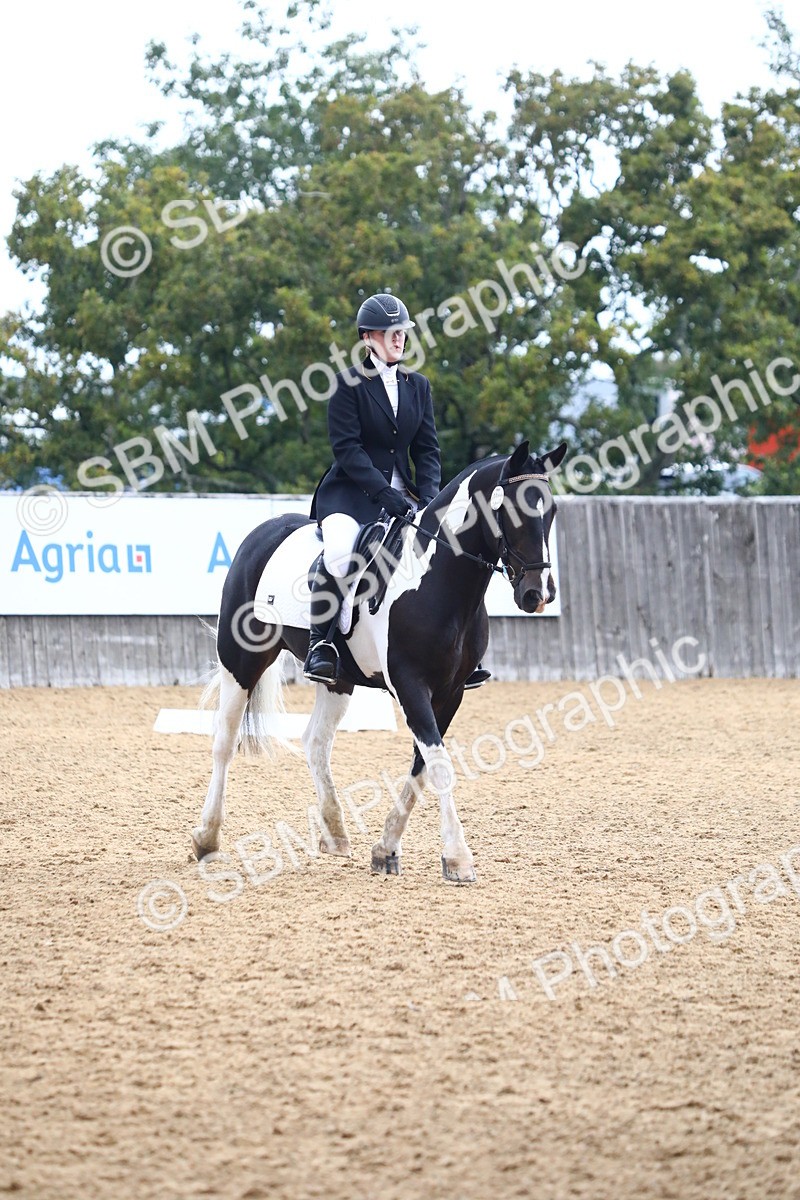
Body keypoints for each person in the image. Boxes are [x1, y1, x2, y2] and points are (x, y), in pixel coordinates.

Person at [304, 292, 491, 690]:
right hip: (351, 494)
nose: (399, 339)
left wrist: (430, 499)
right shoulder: (347, 384)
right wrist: (382, 494)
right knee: (339, 554)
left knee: (450, 553)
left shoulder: (418, 385)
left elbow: (427, 449)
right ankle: (321, 645)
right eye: (390, 333)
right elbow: (347, 450)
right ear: (368, 337)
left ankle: (463, 652)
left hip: (405, 495)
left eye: (403, 332)